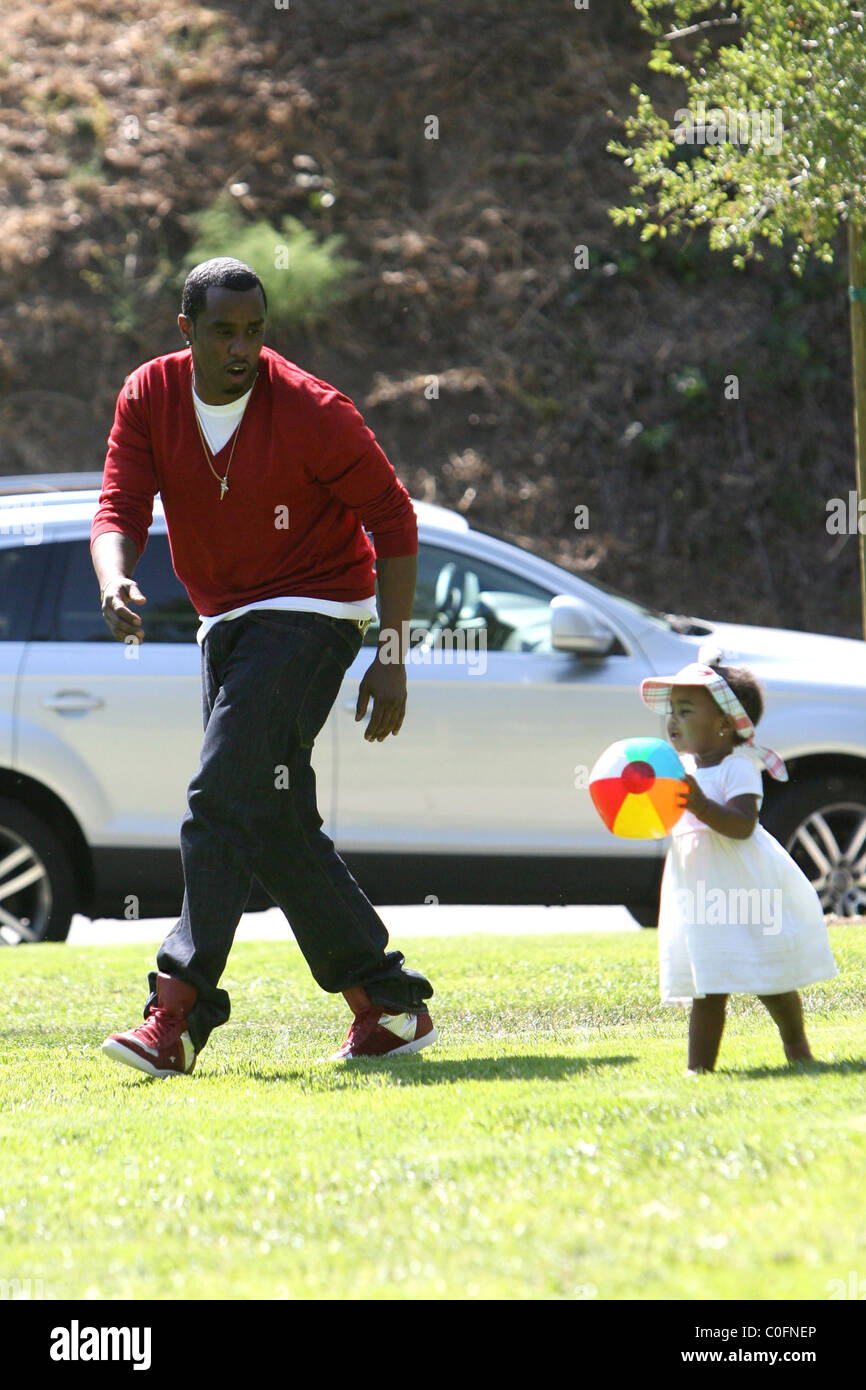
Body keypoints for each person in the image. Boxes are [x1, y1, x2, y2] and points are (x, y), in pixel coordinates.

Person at [92, 256, 437, 1075]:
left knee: (219, 795)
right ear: (187, 331)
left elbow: (393, 521)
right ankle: (387, 1007)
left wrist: (389, 656)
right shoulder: (150, 395)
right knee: (273, 821)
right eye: (223, 332)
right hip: (226, 619)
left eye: (255, 331)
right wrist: (115, 578)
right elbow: (119, 506)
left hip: (317, 608)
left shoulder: (314, 409)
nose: (241, 348)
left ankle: (176, 1014)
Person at [640, 645, 837, 1074]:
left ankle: (797, 1048)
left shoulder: (739, 766)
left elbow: (742, 824)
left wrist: (698, 804)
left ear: (726, 725)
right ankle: (700, 1070)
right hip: (701, 890)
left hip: (745, 886)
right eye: (672, 710)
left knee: (772, 980)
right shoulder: (679, 770)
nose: (673, 720)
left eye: (686, 710)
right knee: (707, 984)